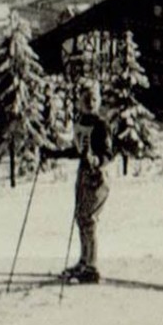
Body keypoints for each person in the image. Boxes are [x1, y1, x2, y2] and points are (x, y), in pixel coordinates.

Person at [47, 85, 113, 284]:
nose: (90, 104)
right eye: (86, 100)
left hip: (97, 176)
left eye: (93, 100)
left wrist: (96, 160)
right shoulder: (81, 122)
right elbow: (76, 150)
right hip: (84, 175)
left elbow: (108, 153)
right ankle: (84, 261)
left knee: (89, 219)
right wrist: (52, 153)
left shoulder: (101, 124)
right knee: (81, 218)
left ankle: (92, 266)